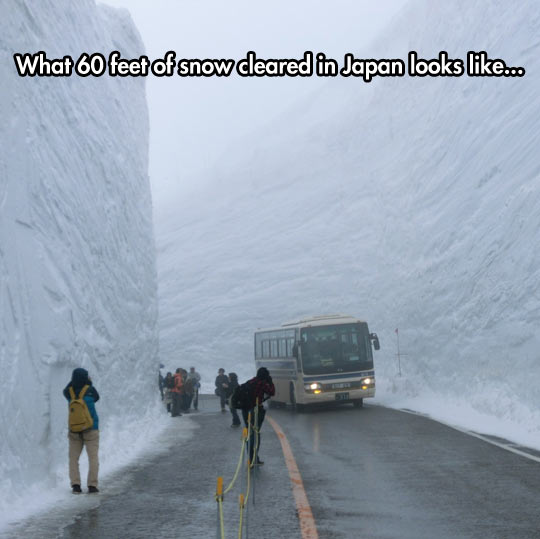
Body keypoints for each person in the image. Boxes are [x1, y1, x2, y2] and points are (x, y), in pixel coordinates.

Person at [63, 368, 100, 494]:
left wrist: (72, 383)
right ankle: (92, 485)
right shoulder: (90, 390)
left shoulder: (69, 392)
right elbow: (97, 397)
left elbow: (64, 391)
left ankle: (76, 486)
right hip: (91, 429)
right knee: (93, 458)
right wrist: (88, 383)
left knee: (73, 458)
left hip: (74, 430)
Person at [241, 367, 275, 466]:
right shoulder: (262, 383)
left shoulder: (250, 381)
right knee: (255, 434)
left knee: (249, 433)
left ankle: (251, 457)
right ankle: (254, 458)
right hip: (255, 410)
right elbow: (272, 392)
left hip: (245, 409)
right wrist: (271, 382)